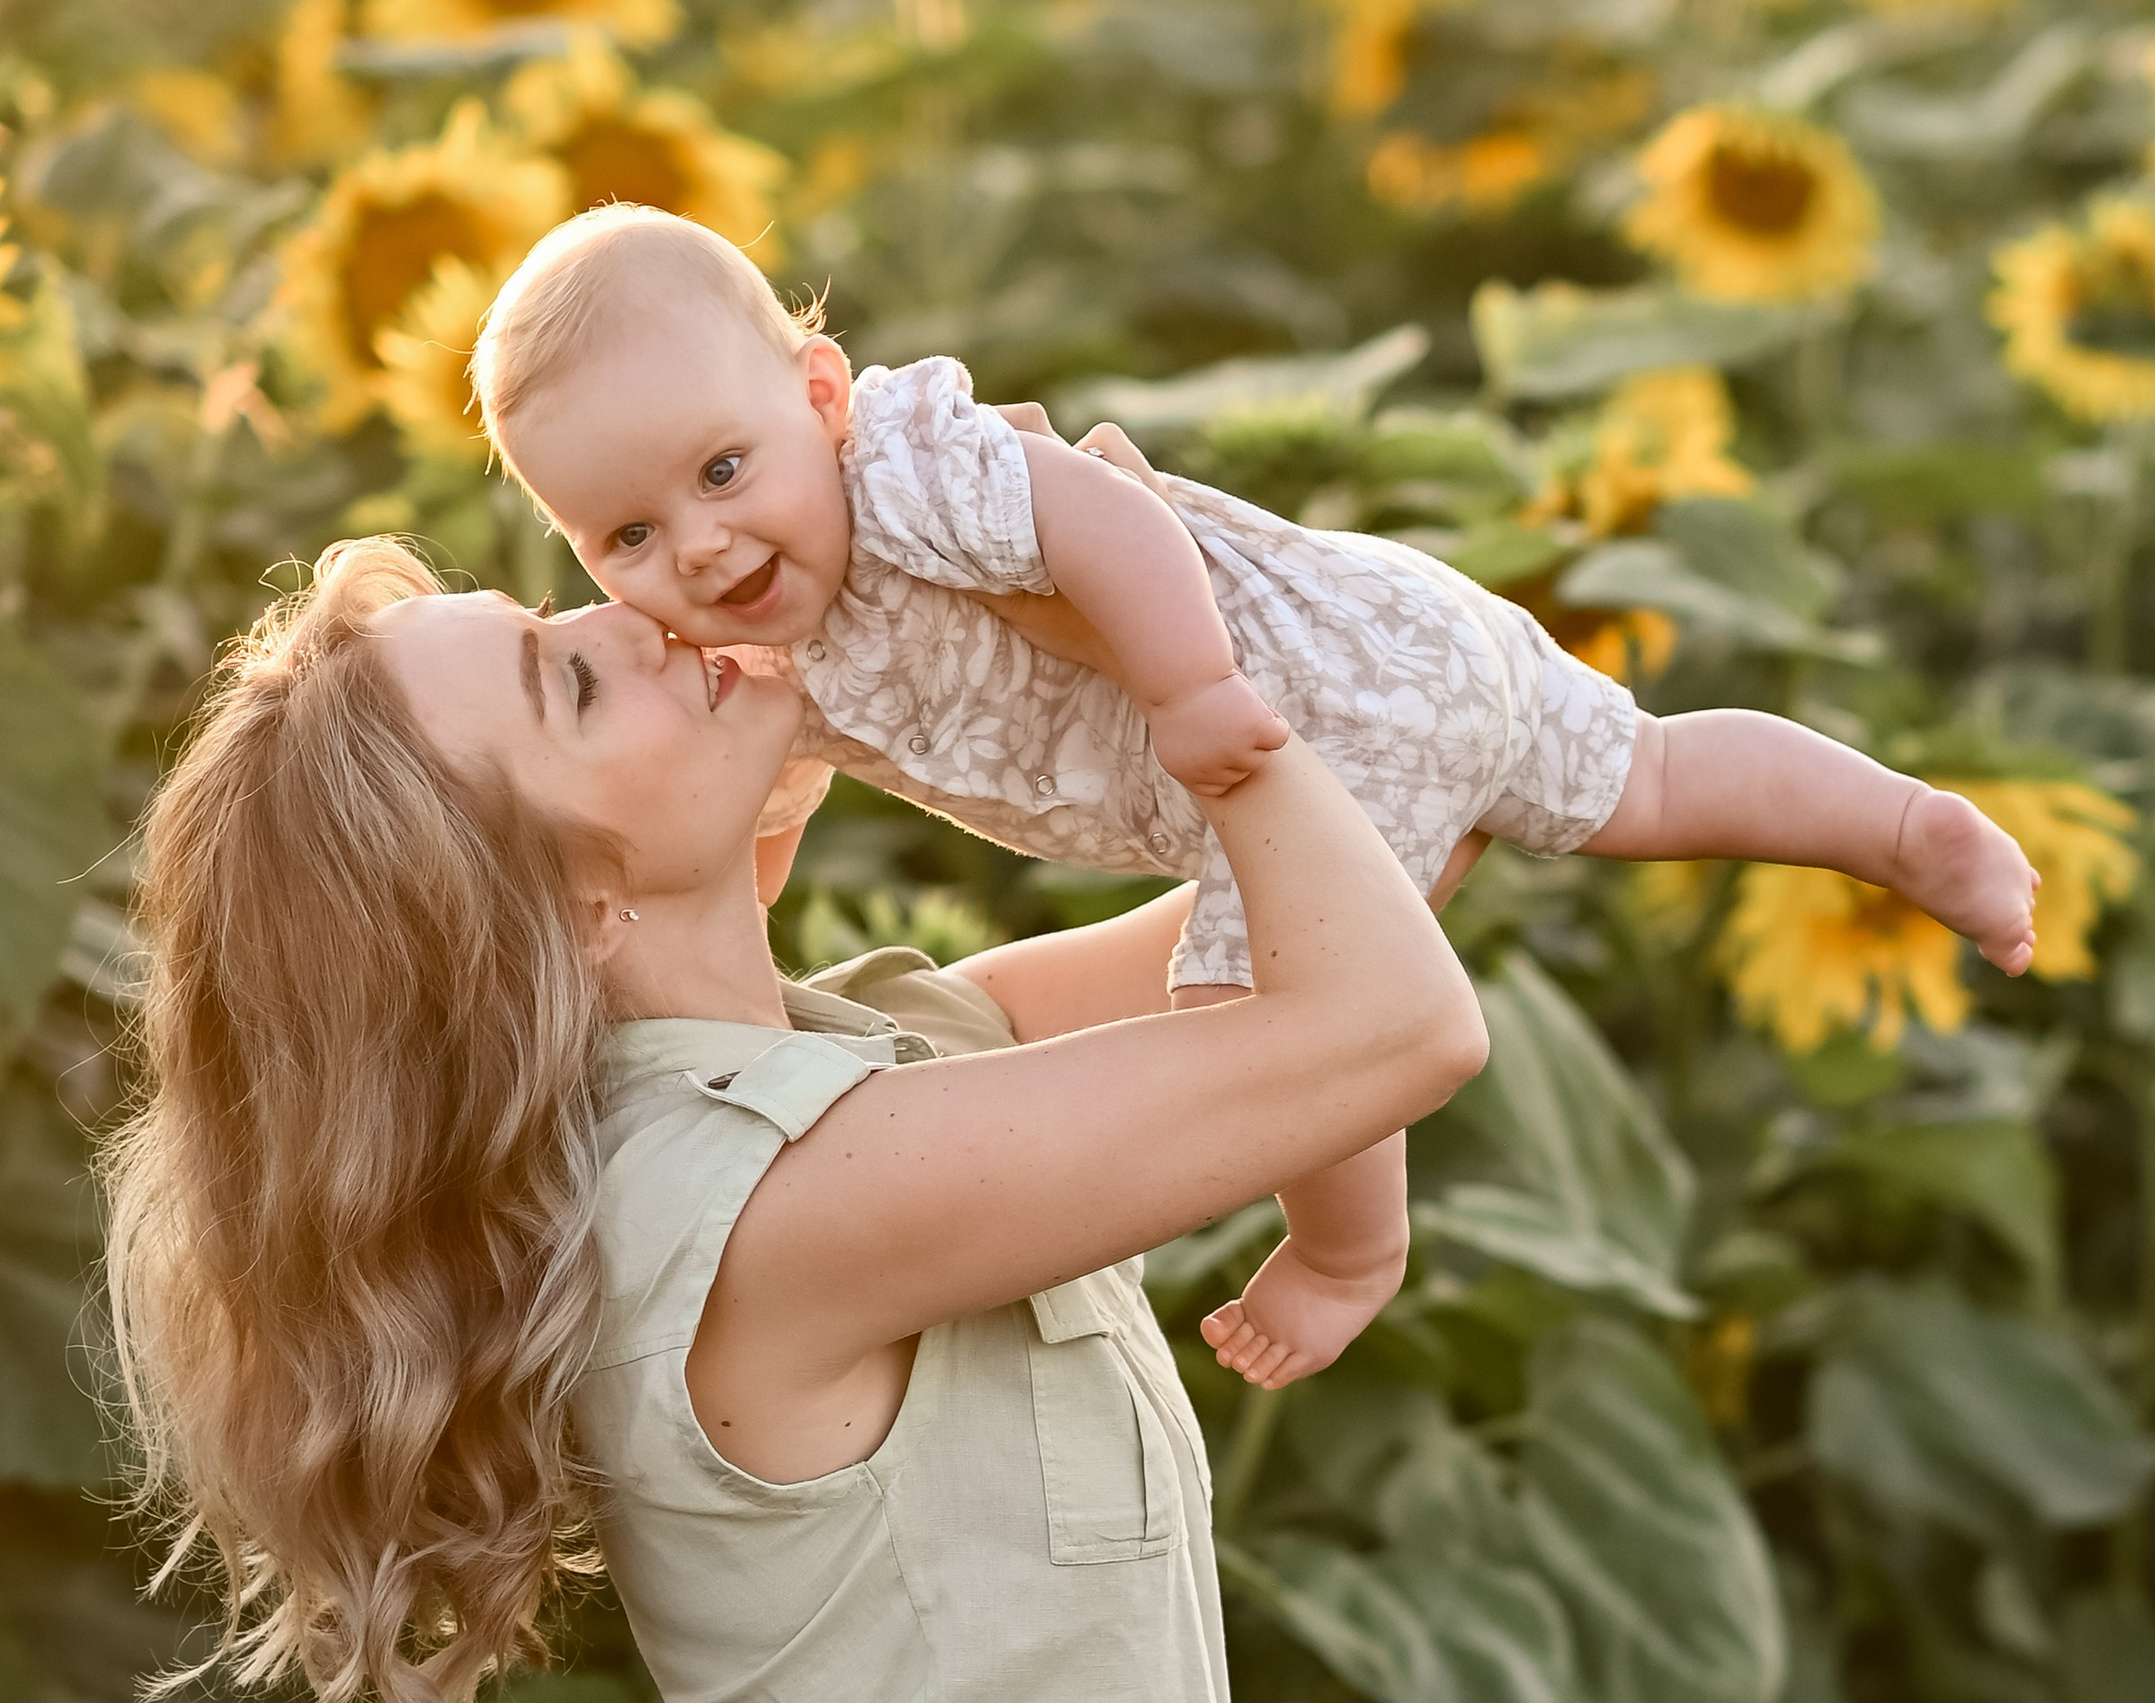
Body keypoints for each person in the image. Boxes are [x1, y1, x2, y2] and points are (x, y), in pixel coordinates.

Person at [466, 205, 2043, 1388]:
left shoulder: (897, 476)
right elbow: (784, 788)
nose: (700, 550)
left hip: (1289, 701)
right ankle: (1903, 827)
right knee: (1651, 767)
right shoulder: (780, 638)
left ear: (819, 393)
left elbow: (1104, 516)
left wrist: (1191, 690)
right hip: (1404, 635)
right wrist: (742, 890)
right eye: (626, 537)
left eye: (722, 473)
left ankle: (1350, 1250)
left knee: (1272, 1019)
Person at [98, 537, 1486, 1703]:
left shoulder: (854, 1060)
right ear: (574, 910)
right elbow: (1392, 1023)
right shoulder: (747, 1213)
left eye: (552, 610)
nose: (627, 614)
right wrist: (1161, 657)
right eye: (570, 679)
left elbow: (1376, 877)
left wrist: (1073, 608)